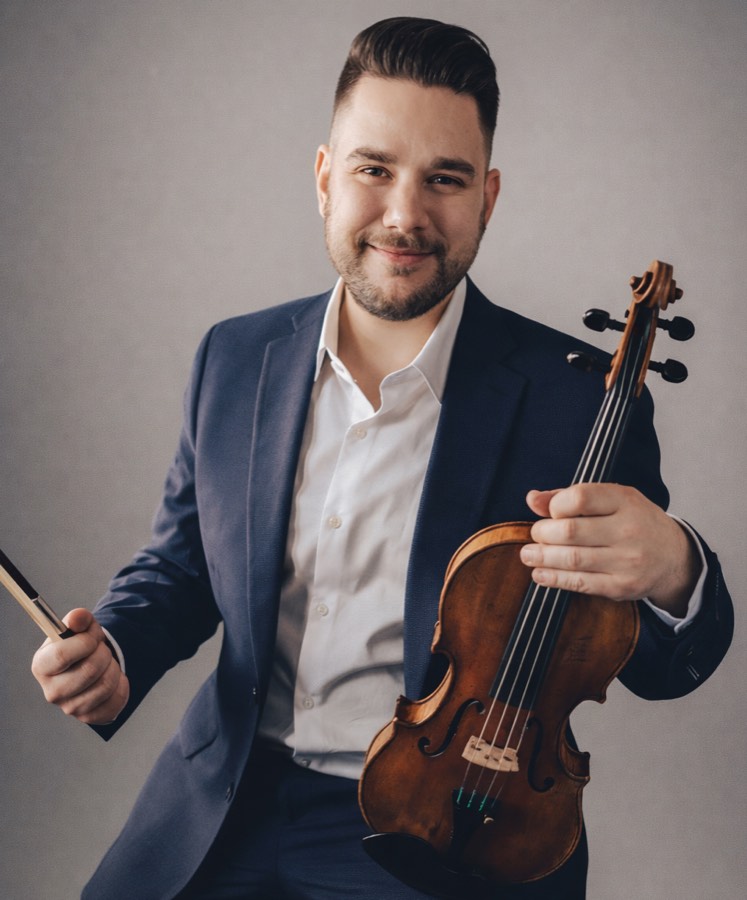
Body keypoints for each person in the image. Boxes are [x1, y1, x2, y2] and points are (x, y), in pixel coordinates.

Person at [31, 17, 732, 900]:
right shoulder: (234, 357)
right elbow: (182, 567)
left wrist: (674, 566)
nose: (405, 215)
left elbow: (658, 663)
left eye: (445, 179)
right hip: (226, 790)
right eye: (373, 169)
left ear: (488, 197)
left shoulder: (579, 397)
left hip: (441, 824)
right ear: (325, 178)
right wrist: (116, 651)